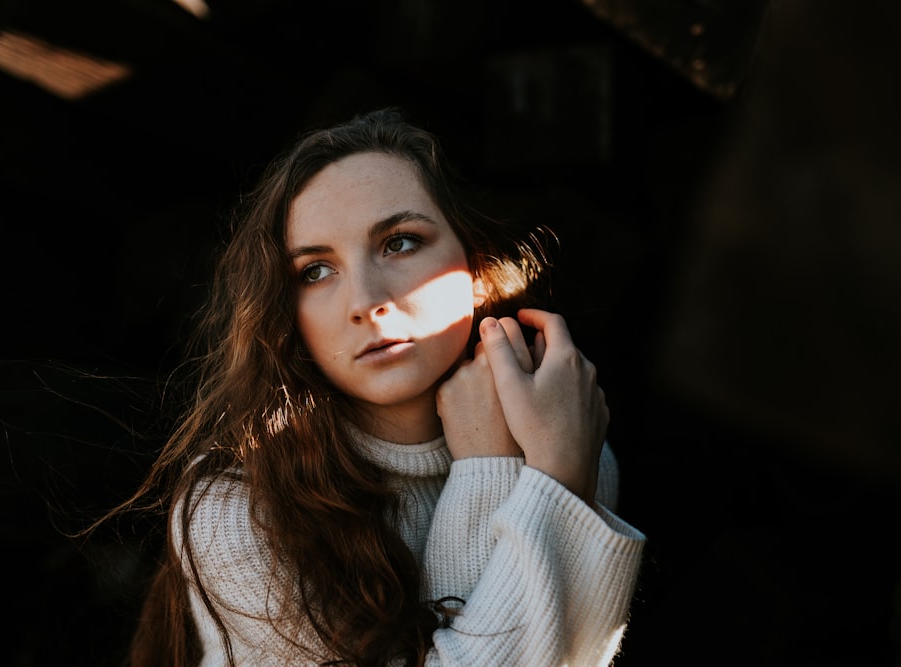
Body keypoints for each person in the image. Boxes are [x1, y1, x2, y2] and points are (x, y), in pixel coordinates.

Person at [103, 107, 645, 666]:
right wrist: (532, 475)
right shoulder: (240, 505)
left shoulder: (565, 442)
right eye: (315, 271)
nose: (365, 300)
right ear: (283, 315)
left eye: (400, 242)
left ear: (476, 261)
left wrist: (544, 468)